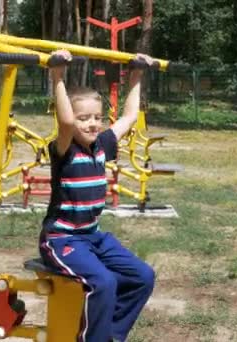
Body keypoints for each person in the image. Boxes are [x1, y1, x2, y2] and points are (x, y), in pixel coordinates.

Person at [39, 50, 155, 342]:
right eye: (84, 118)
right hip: (61, 239)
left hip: (93, 236)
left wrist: (137, 74)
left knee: (143, 276)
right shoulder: (64, 149)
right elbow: (65, 123)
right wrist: (57, 76)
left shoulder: (102, 145)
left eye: (97, 117)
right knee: (102, 282)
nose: (92, 123)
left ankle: (112, 334)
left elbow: (129, 116)